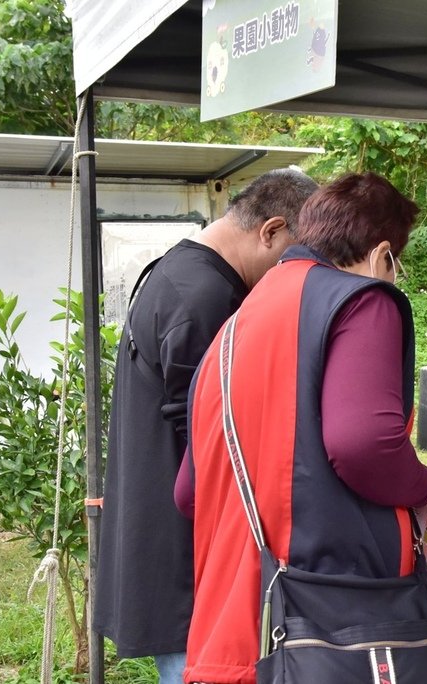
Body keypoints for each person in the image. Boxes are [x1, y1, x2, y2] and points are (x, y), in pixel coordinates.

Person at [178, 172, 427, 684]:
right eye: (398, 265)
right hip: (325, 629)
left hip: (232, 629)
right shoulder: (361, 299)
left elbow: (188, 491)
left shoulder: (234, 326)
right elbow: (362, 444)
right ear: (383, 254)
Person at [93, 168, 319, 683]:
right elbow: (218, 444)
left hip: (165, 543)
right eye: (297, 255)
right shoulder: (206, 298)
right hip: (187, 561)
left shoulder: (176, 270)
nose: (299, 274)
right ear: (271, 231)